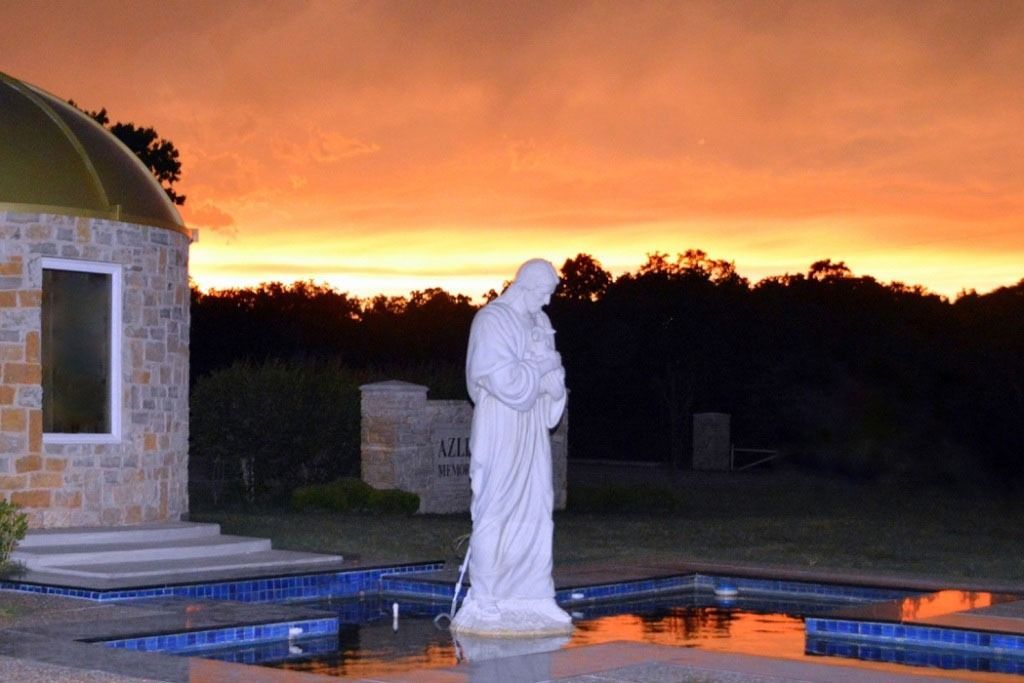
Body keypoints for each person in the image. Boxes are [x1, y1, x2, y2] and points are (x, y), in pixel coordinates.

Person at [451, 259, 573, 636]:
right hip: (501, 427)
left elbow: (552, 383)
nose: (547, 301)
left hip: (533, 427)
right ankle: (486, 599)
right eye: (542, 292)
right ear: (523, 285)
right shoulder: (491, 321)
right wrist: (541, 370)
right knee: (495, 508)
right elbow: (506, 382)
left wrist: (551, 379)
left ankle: (536, 596)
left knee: (538, 506)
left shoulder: (540, 324)